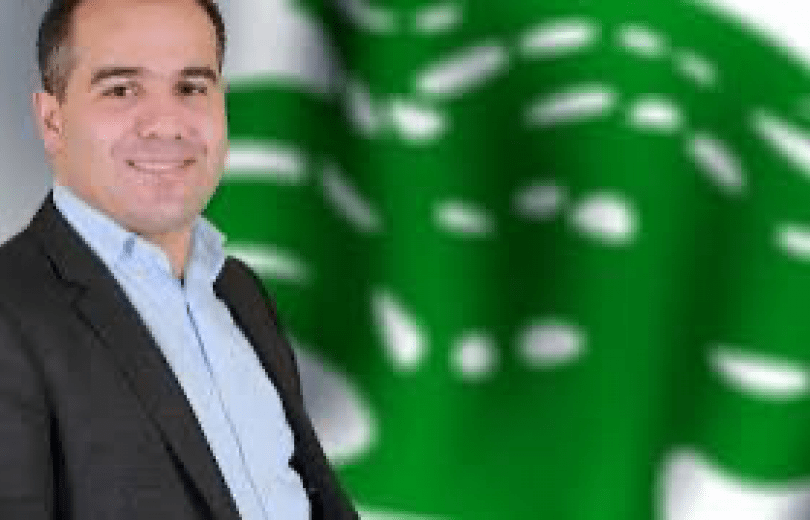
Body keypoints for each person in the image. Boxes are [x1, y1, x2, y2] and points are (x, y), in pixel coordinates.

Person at [0, 0, 358, 518]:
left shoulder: (238, 290)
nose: (166, 124)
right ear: (52, 120)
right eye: (121, 89)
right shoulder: (9, 311)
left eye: (191, 88)